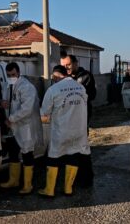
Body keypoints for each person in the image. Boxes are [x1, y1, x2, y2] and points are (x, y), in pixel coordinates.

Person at [38, 65, 89, 197]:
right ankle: (68, 189)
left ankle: (49, 190)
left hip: (61, 130)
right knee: (73, 156)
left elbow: (44, 112)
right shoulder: (81, 87)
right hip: (79, 130)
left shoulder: (53, 89)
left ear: (55, 76)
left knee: (53, 158)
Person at [0, 62, 43, 194]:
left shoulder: (27, 87)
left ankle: (28, 185)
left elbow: (27, 109)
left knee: (27, 153)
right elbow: (5, 101)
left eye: (13, 74)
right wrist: (2, 103)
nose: (11, 77)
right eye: (8, 75)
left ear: (18, 72)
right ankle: (14, 181)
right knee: (13, 152)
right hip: (13, 126)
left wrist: (11, 119)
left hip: (25, 126)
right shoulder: (7, 85)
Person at [60, 54, 95, 188]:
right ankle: (74, 176)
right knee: (70, 148)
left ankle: (86, 177)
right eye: (63, 65)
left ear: (75, 63)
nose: (66, 68)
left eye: (68, 65)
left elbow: (91, 95)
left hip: (81, 117)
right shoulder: (65, 78)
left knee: (81, 146)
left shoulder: (85, 76)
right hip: (68, 116)